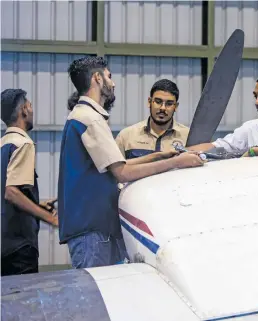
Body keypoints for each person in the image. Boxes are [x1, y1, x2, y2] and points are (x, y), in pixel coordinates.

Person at [58, 56, 204, 269]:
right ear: (97, 78)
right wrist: (177, 163)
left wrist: (160, 155)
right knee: (98, 297)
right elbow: (122, 172)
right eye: (109, 76)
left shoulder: (83, 116)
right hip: (93, 229)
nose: (113, 82)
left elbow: (117, 163)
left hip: (97, 228)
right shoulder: (90, 119)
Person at [1, 89, 58, 276]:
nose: (32, 110)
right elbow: (11, 192)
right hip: (20, 248)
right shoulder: (23, 144)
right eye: (30, 105)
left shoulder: (3, 145)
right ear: (24, 110)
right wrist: (48, 217)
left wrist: (37, 202)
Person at [188, 73, 258, 153]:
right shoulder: (250, 129)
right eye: (255, 96)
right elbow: (218, 146)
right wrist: (183, 153)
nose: (257, 102)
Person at [115, 79, 190, 159]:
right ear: (149, 102)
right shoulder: (126, 136)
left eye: (169, 104)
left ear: (176, 107)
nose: (163, 108)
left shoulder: (188, 137)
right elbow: (116, 169)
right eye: (158, 102)